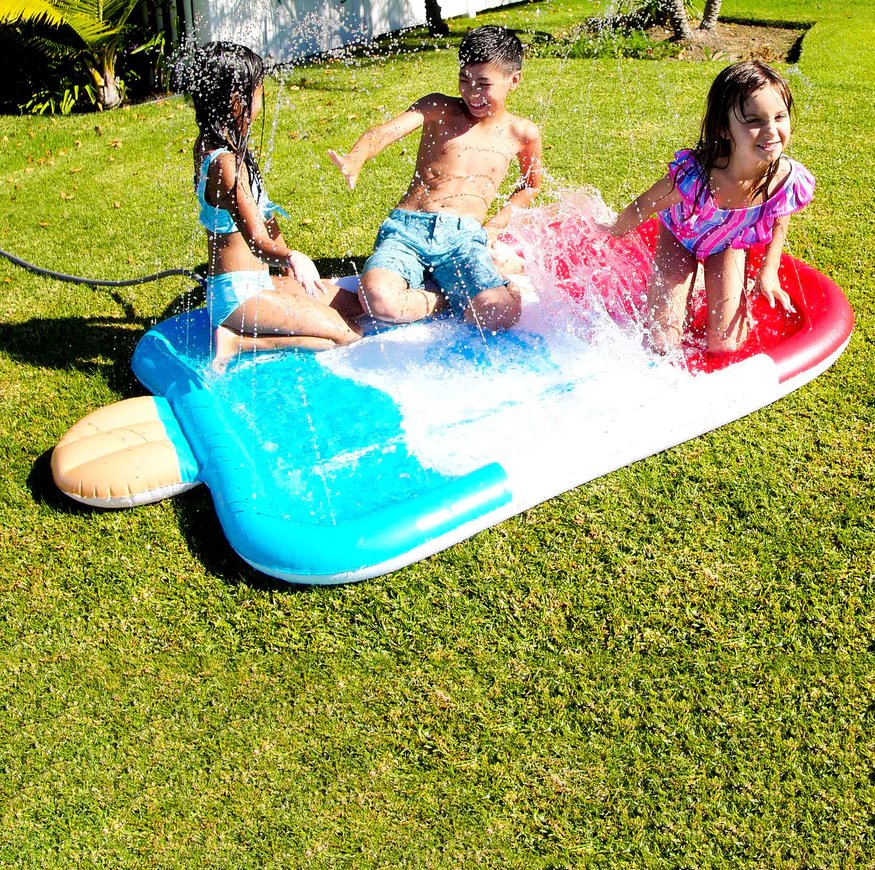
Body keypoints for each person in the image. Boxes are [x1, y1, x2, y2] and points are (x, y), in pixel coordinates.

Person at [328, 25, 543, 333]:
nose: (471, 93)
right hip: (408, 229)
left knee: (498, 315)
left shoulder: (521, 133)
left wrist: (494, 226)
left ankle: (490, 285)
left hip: (465, 238)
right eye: (464, 80)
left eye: (483, 84)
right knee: (379, 301)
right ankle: (444, 297)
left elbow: (531, 186)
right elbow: (383, 133)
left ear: (514, 81)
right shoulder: (438, 107)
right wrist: (356, 158)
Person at [172, 42, 363, 362]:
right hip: (239, 298)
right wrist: (293, 257)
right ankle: (237, 341)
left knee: (356, 306)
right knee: (348, 333)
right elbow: (257, 242)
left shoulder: (223, 145)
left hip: (260, 283)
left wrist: (288, 275)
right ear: (237, 101)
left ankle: (250, 330)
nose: (263, 98)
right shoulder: (225, 165)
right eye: (259, 90)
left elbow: (264, 216)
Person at [608, 60, 815, 354]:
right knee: (663, 342)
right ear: (722, 128)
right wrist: (610, 232)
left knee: (725, 345)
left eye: (780, 116)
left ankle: (707, 284)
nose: (771, 130)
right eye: (754, 120)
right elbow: (644, 205)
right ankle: (684, 282)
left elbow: (780, 215)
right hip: (679, 238)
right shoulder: (696, 176)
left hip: (728, 244)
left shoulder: (784, 178)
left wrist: (768, 271)